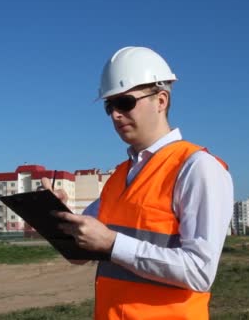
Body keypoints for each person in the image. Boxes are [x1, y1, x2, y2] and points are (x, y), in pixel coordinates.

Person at [42, 46, 233, 319]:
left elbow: (199, 272)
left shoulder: (197, 168)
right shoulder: (118, 177)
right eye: (110, 106)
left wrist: (112, 244)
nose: (115, 115)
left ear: (161, 100)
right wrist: (55, 218)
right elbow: (79, 254)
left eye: (125, 102)